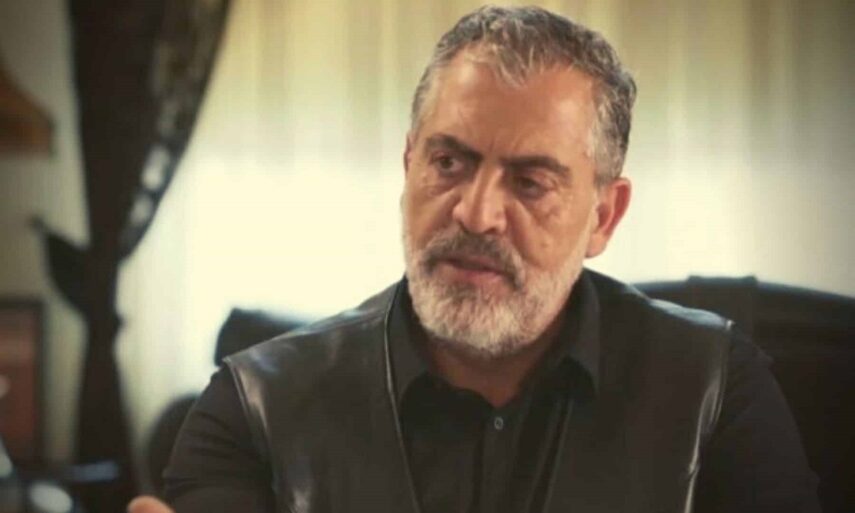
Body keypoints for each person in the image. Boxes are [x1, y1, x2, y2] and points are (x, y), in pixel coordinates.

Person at [130, 6, 820, 513]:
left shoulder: (716, 391)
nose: (475, 212)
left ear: (603, 217)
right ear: (408, 166)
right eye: (449, 163)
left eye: (530, 182)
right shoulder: (252, 407)